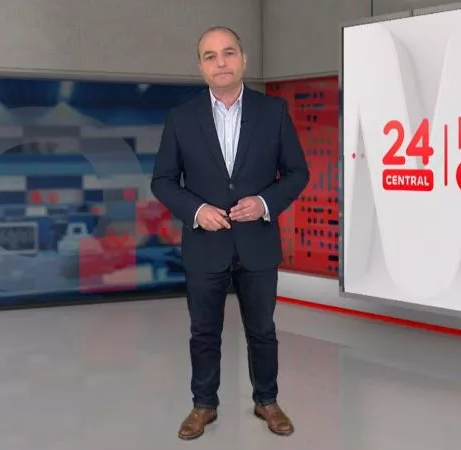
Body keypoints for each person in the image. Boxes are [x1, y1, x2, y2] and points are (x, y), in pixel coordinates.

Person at [150, 25, 309, 440]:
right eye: (210, 56)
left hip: (258, 244)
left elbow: (297, 172)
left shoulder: (273, 111)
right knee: (204, 332)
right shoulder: (181, 118)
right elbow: (162, 181)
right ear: (200, 66)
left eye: (228, 53)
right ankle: (203, 405)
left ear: (244, 59)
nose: (220, 62)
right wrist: (197, 210)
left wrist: (265, 202)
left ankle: (267, 400)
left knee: (263, 331)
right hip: (205, 245)